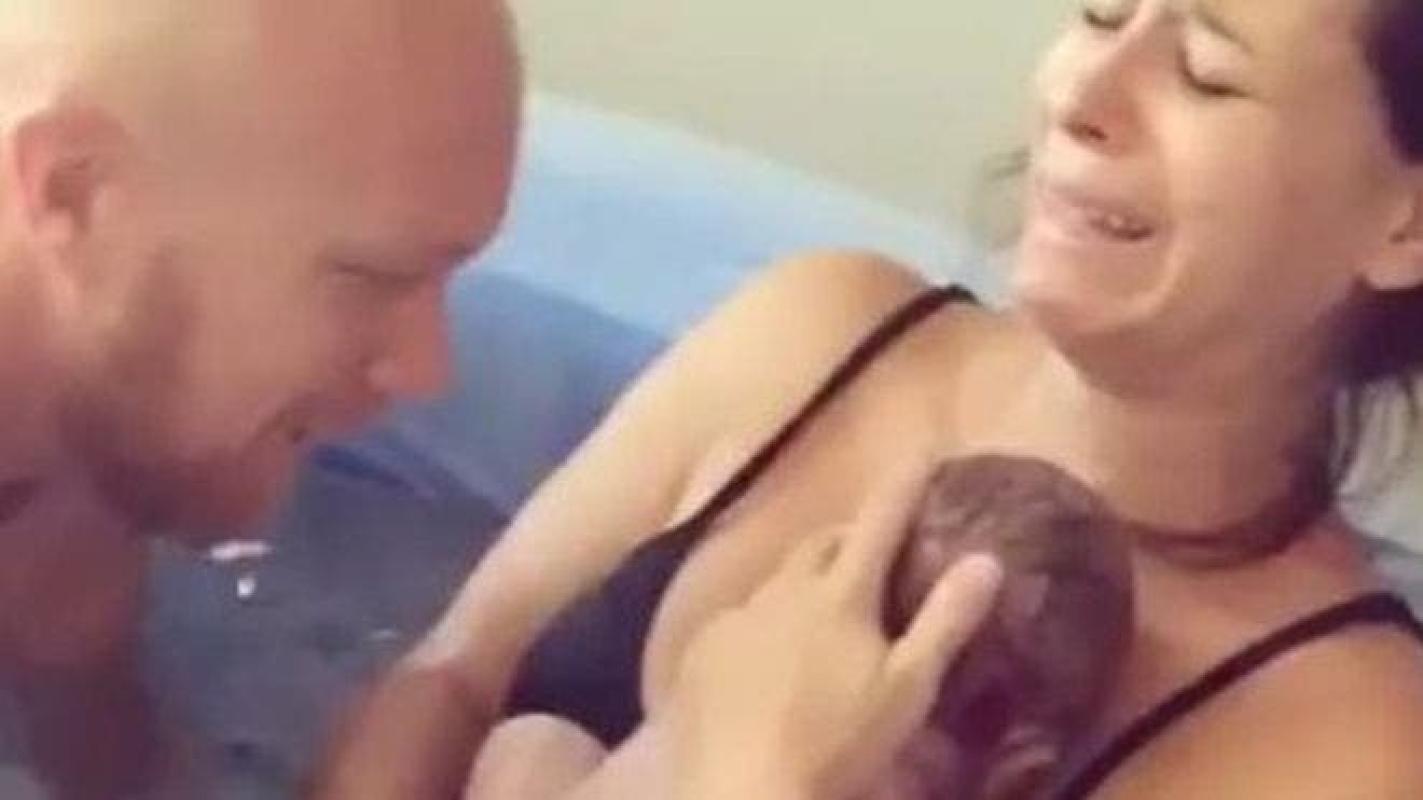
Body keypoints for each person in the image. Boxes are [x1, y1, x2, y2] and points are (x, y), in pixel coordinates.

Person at [321, 0, 1423, 797]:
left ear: (1405, 224)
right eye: (1099, 13)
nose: (1082, 98)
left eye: (1205, 74)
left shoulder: (1345, 744)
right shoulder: (820, 331)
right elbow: (450, 678)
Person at [0, 0, 520, 796]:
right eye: (370, 277)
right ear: (77, 192)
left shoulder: (100, 412)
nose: (428, 371)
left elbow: (105, 751)